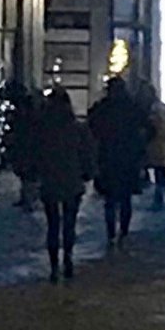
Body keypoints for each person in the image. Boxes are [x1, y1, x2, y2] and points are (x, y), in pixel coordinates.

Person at [34, 86, 93, 278]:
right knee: (69, 222)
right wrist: (87, 173)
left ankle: (53, 265)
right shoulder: (77, 128)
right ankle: (68, 257)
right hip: (71, 179)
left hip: (50, 180)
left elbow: (36, 154)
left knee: (52, 224)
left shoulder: (43, 129)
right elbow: (86, 153)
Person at [88, 75, 149, 244]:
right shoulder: (132, 107)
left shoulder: (103, 108)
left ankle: (111, 233)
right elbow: (148, 128)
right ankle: (123, 231)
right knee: (125, 198)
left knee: (110, 199)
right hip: (128, 158)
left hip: (108, 157)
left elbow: (91, 125)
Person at [1, 80, 43, 211]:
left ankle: (29, 198)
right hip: (27, 142)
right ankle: (28, 197)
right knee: (27, 172)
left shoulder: (23, 109)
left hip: (26, 142)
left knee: (27, 172)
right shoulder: (27, 108)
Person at [145, 98, 165, 201]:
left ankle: (158, 192)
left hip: (154, 148)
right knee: (162, 169)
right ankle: (161, 191)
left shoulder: (150, 120)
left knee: (157, 169)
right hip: (163, 148)